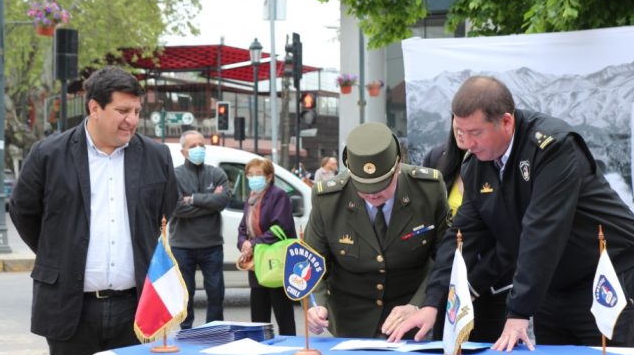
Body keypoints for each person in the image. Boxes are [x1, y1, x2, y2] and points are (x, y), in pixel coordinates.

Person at [9, 66, 177, 355]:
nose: (131, 121)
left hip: (134, 309)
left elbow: (165, 212)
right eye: (122, 110)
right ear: (94, 108)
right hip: (72, 305)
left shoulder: (154, 156)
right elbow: (23, 211)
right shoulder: (49, 154)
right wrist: (59, 258)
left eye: (137, 111)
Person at [388, 76, 634, 350]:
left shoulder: (553, 147)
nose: (467, 144)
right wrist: (433, 303)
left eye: (476, 133)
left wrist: (518, 313)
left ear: (507, 122)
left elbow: (542, 232)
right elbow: (461, 237)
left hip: (605, 271)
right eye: (460, 132)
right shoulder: (476, 166)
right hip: (552, 281)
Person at [304, 122, 449, 338]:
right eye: (363, 188)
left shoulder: (428, 189)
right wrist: (316, 305)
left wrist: (421, 305)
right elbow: (311, 262)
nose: (373, 195)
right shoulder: (328, 200)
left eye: (382, 186)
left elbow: (445, 258)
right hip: (351, 322)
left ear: (398, 166)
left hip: (412, 321)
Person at [422, 123, 506, 343]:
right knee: (445, 352)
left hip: (491, 281)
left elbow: (508, 235)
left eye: (473, 128)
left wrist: (472, 285)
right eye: (458, 124)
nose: (463, 133)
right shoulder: (437, 158)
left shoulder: (497, 159)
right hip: (447, 281)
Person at [169, 130, 230, 328]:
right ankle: (186, 331)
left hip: (211, 245)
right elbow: (177, 208)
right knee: (185, 293)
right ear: (183, 151)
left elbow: (222, 201)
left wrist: (193, 198)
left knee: (216, 292)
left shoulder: (216, 173)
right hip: (182, 246)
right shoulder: (174, 175)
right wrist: (210, 203)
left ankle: (213, 331)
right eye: (192, 146)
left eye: (201, 146)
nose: (198, 150)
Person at [237, 158, 298, 334]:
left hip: (275, 261)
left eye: (258, 174)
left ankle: (288, 346)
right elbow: (242, 228)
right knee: (258, 311)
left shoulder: (278, 195)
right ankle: (260, 345)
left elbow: (281, 227)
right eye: (250, 175)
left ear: (269, 177)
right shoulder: (250, 199)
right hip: (256, 262)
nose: (253, 178)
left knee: (282, 310)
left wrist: (253, 243)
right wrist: (244, 243)